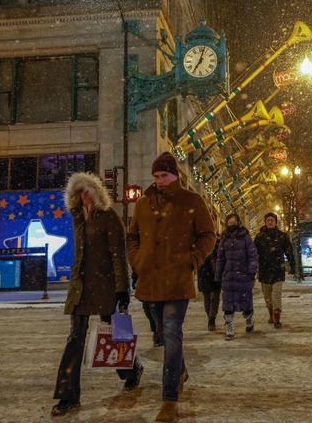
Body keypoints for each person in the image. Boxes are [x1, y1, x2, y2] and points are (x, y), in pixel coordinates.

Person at [127, 152, 216, 422]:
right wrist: (138, 260)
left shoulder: (191, 201)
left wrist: (193, 259)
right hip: (150, 280)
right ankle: (180, 370)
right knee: (162, 331)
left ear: (175, 175)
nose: (159, 180)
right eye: (156, 176)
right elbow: (132, 236)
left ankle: (169, 399)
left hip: (177, 278)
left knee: (171, 329)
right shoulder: (143, 204)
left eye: (163, 175)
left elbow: (208, 235)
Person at [52, 172, 143, 416]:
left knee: (114, 334)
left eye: (86, 191)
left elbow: (117, 255)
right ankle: (68, 395)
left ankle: (132, 370)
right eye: (78, 192)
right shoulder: (77, 218)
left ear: (94, 192)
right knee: (75, 338)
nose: (83, 196)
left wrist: (122, 289)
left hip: (105, 286)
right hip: (80, 287)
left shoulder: (108, 217)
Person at [215, 213, 259, 341]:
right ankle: (229, 328)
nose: (232, 225)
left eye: (234, 223)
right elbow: (220, 258)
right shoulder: (224, 239)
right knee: (228, 304)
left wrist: (251, 271)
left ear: (238, 223)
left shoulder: (245, 238)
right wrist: (218, 275)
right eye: (230, 223)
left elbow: (253, 255)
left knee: (246, 303)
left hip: (243, 276)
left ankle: (249, 318)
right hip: (229, 277)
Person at [254, 212, 295, 329]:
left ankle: (277, 318)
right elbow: (253, 253)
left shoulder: (282, 236)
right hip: (264, 270)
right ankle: (271, 313)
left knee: (276, 294)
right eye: (268, 220)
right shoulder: (259, 237)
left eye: (272, 220)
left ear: (276, 222)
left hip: (277, 270)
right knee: (267, 296)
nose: (270, 222)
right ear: (265, 222)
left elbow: (289, 252)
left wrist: (293, 265)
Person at [132, 269, 163, 347]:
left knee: (154, 308)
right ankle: (158, 331)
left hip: (159, 278)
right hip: (147, 278)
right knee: (149, 310)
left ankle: (159, 332)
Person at [197, 238, 221, 331]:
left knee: (214, 299)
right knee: (207, 301)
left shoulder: (218, 247)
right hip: (205, 279)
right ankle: (210, 318)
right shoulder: (201, 247)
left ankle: (212, 319)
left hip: (215, 279)